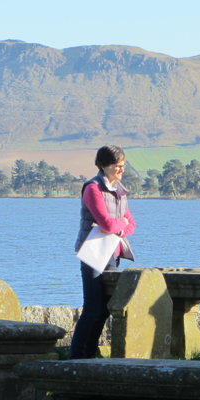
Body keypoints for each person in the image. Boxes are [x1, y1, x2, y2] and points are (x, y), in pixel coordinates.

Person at [70, 145, 135, 359]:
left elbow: (132, 225)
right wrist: (121, 223)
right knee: (92, 308)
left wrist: (121, 224)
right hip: (93, 254)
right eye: (117, 166)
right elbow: (107, 224)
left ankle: (89, 354)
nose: (121, 170)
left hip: (113, 254)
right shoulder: (92, 189)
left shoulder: (120, 191)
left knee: (105, 309)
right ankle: (77, 356)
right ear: (104, 166)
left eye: (123, 166)